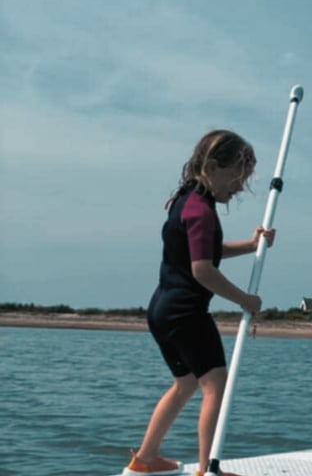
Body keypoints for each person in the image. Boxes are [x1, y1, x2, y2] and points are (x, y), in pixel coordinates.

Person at [122, 130, 275, 476]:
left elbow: (205, 250)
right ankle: (207, 470)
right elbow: (203, 270)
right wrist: (245, 300)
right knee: (215, 384)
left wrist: (250, 246)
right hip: (186, 312)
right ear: (212, 166)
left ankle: (145, 460)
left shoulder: (185, 200)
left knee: (186, 383)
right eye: (238, 177)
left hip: (162, 310)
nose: (239, 187)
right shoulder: (202, 212)